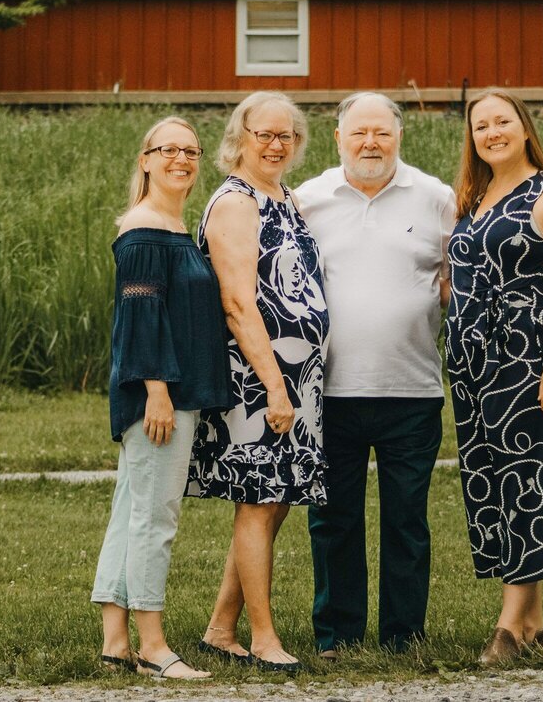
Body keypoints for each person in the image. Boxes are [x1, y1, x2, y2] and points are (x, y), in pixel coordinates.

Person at [295, 92, 455, 657]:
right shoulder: (306, 200)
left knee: (407, 520)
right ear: (338, 137)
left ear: (399, 138)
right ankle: (337, 634)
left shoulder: (435, 197)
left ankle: (403, 636)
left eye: (382, 133)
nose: (370, 143)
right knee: (333, 519)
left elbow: (453, 281)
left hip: (411, 390)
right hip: (328, 391)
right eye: (359, 132)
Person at [445, 88, 543, 667]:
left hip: (526, 358)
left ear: (524, 127)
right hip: (472, 365)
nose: (491, 132)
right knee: (492, 481)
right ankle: (533, 622)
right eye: (480, 125)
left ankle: (508, 628)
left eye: (501, 121)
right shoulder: (477, 197)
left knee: (528, 479)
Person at [187, 91, 328, 674]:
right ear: (239, 140)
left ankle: (222, 628)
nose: (275, 145)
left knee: (276, 503)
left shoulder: (286, 198)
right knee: (259, 499)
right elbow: (239, 303)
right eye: (264, 134)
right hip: (257, 376)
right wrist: (274, 385)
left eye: (286, 136)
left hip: (300, 376)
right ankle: (264, 638)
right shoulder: (236, 203)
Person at [92, 116, 231, 681]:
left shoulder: (172, 226)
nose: (183, 159)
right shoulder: (146, 230)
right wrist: (157, 391)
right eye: (169, 149)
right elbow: (140, 315)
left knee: (132, 510)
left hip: (169, 391)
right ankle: (154, 643)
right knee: (156, 517)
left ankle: (115, 638)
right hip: (160, 397)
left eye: (192, 150)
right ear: (145, 159)